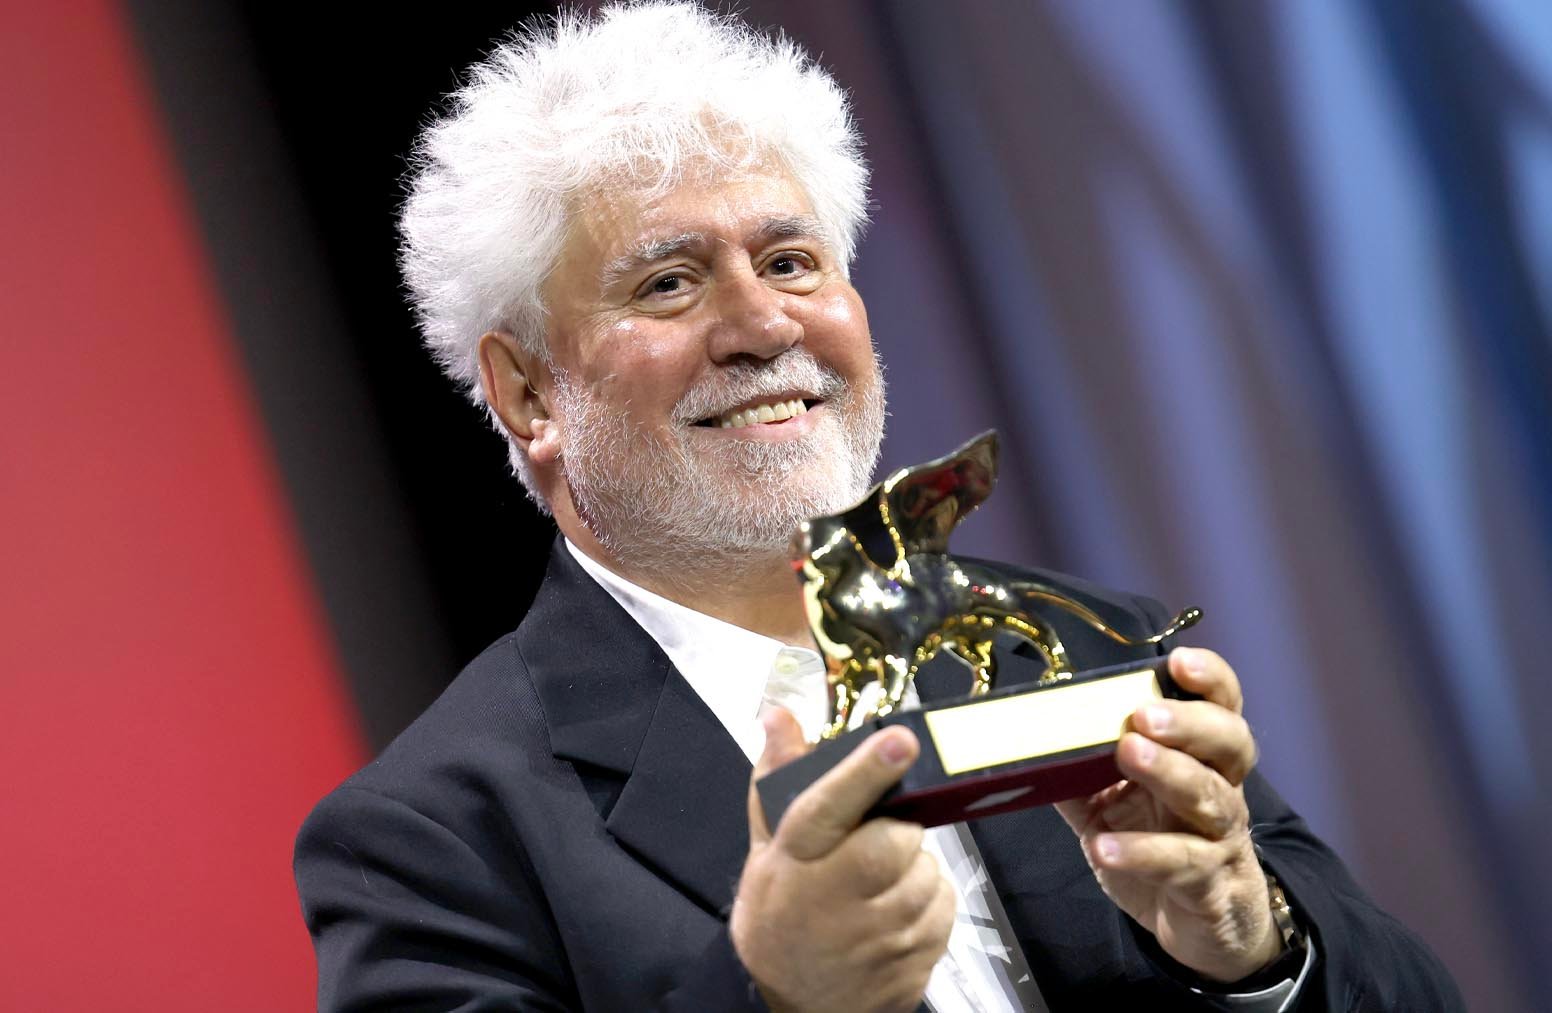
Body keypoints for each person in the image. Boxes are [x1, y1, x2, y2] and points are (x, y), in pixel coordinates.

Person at [294, 5, 1465, 1011]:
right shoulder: (435, 838)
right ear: (528, 390)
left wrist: (1251, 944)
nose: (764, 326)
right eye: (668, 281)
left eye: (794, 261)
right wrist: (779, 994)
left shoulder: (1074, 644)